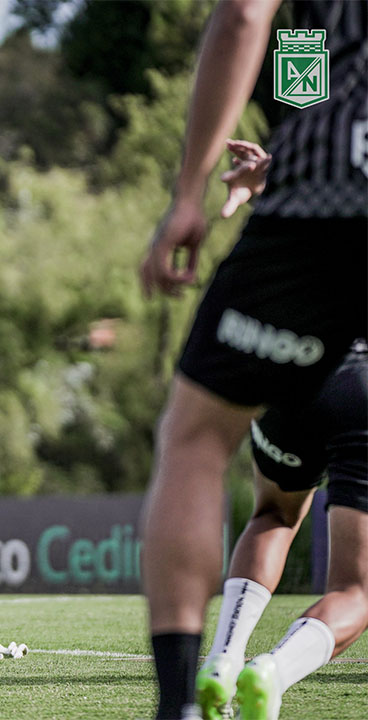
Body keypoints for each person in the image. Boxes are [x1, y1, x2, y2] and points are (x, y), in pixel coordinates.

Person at [137, 1, 366, 717]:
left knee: (199, 442)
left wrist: (192, 195)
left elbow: (242, 17)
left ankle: (188, 690)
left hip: (318, 215)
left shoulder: (308, 23)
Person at [194, 141, 368, 720]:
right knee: (356, 589)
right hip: (363, 384)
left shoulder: (332, 135)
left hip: (293, 361)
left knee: (274, 514)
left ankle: (220, 661)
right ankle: (272, 671)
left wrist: (264, 180)